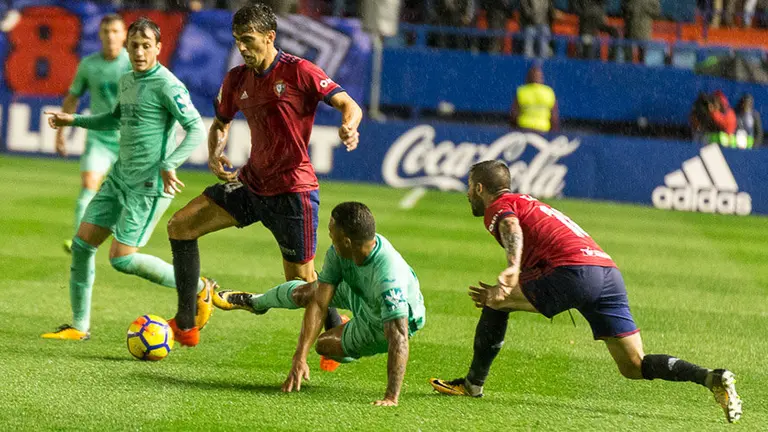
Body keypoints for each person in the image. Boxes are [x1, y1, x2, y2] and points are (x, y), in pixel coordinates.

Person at [429, 160, 742, 424]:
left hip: (574, 272)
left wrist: (512, 267)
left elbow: (510, 227)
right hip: (607, 273)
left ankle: (472, 385)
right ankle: (711, 378)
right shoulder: (528, 201)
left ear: (480, 189)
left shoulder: (498, 206)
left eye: (470, 186)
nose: (467, 193)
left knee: (495, 301)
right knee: (634, 365)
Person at [165, 4, 362, 352]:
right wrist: (214, 152)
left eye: (248, 40)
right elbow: (222, 122)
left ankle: (338, 330)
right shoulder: (236, 78)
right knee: (181, 225)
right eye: (237, 40)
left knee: (301, 286)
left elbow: (349, 103)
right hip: (252, 183)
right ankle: (185, 324)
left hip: (292, 193)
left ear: (270, 37)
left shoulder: (300, 71)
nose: (242, 47)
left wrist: (349, 125)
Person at [41, 17, 216, 341]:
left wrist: (169, 162)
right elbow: (113, 118)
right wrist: (73, 120)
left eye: (146, 46)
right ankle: (79, 326)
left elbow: (195, 128)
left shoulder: (168, 84)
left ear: (158, 48)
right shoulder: (127, 80)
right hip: (120, 177)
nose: (138, 51)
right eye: (134, 45)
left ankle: (199, 287)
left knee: (121, 259)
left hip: (148, 185)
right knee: (81, 246)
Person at [212, 202, 426, 406]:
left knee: (324, 345)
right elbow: (318, 300)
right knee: (304, 293)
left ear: (347, 241)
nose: (329, 237)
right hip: (359, 289)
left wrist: (391, 397)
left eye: (332, 234)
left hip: (379, 322)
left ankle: (344, 330)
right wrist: (300, 356)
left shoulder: (389, 280)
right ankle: (256, 302)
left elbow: (398, 337)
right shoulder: (342, 252)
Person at [55, 14, 131, 253]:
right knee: (89, 183)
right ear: (100, 34)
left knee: (126, 194)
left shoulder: (133, 63)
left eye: (115, 31)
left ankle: (124, 240)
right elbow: (72, 98)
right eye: (106, 31)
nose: (110, 36)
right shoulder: (89, 64)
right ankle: (79, 240)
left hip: (129, 140)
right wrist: (60, 133)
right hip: (99, 138)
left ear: (124, 35)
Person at [510, 65, 559, 133]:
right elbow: (554, 117)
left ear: (527, 78)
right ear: (541, 78)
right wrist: (553, 133)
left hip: (524, 128)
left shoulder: (521, 91)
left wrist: (514, 129)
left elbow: (514, 114)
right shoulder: (549, 92)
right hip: (543, 129)